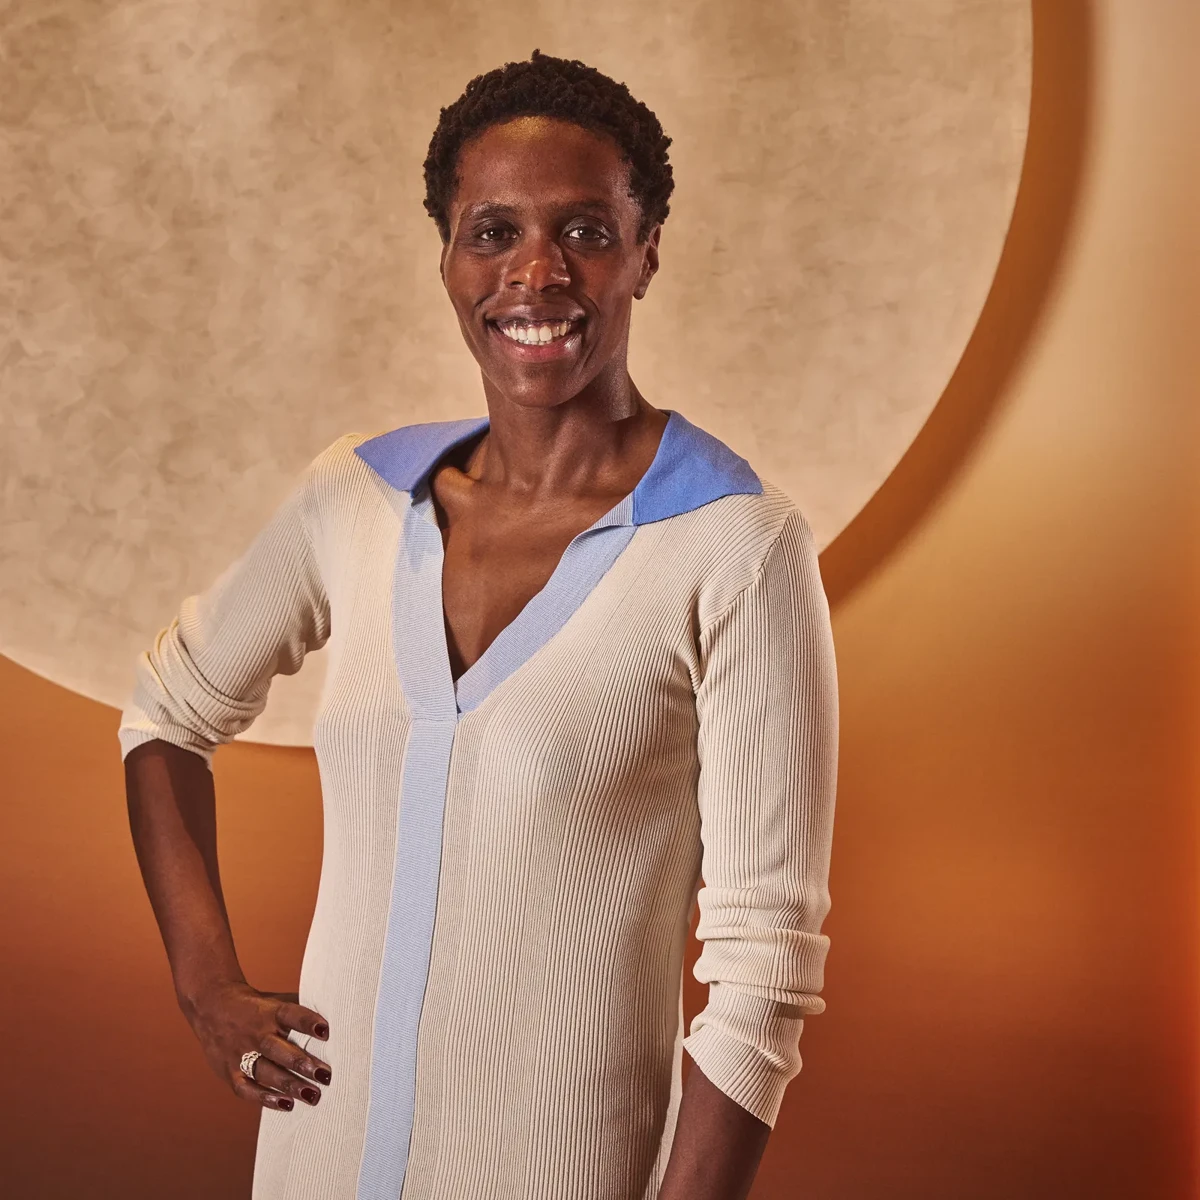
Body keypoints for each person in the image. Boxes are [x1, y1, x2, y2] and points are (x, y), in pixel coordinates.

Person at [120, 49, 839, 1200]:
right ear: (449, 257)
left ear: (647, 250)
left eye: (586, 231)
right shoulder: (353, 502)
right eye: (493, 231)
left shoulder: (736, 548)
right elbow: (167, 713)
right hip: (313, 1166)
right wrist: (206, 983)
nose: (536, 274)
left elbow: (764, 974)